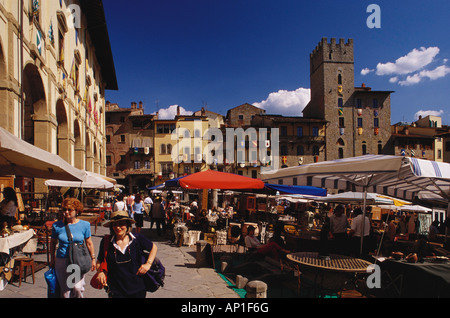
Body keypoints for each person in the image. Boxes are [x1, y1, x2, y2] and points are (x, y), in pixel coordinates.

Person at [95, 210, 158, 298]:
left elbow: (153, 247)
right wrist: (100, 272)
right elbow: (99, 260)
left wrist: (148, 264)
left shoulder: (137, 239)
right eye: (115, 224)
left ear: (128, 225)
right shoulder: (107, 241)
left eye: (121, 224)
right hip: (116, 289)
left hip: (138, 288)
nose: (118, 227)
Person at [50, 198, 96, 298]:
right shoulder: (57, 226)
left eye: (69, 210)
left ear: (77, 210)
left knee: (77, 288)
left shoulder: (84, 225)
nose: (66, 212)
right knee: (65, 291)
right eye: (64, 209)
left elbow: (89, 243)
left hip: (77, 260)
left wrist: (93, 259)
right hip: (62, 260)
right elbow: (53, 243)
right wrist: (52, 259)